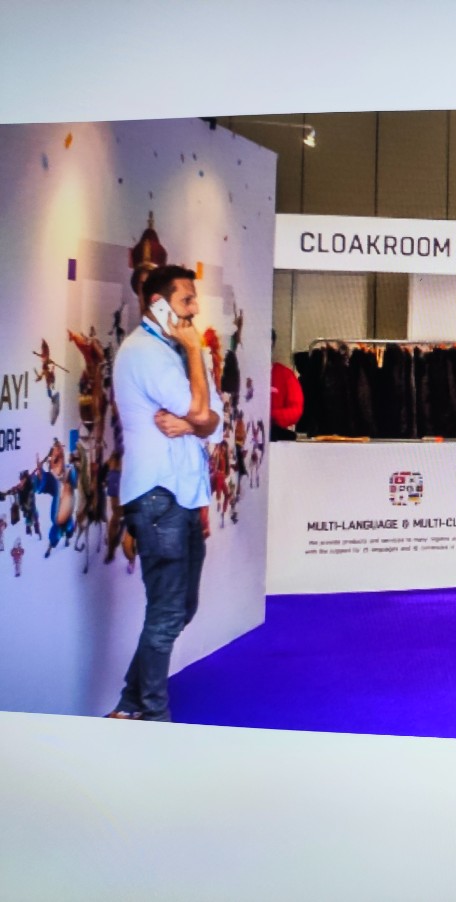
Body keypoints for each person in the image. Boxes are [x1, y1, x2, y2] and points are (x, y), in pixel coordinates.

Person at [106, 264, 223, 721]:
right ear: (158, 304)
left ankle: (129, 705)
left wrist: (194, 422)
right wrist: (195, 355)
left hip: (182, 496)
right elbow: (199, 408)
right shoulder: (146, 353)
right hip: (158, 498)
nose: (194, 309)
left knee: (181, 608)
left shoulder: (173, 350)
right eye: (186, 300)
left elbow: (213, 421)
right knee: (167, 612)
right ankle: (153, 718)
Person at [270, 328, 304, 441]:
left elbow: (296, 409)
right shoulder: (244, 374)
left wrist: (271, 416)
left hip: (276, 439)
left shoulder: (285, 375)